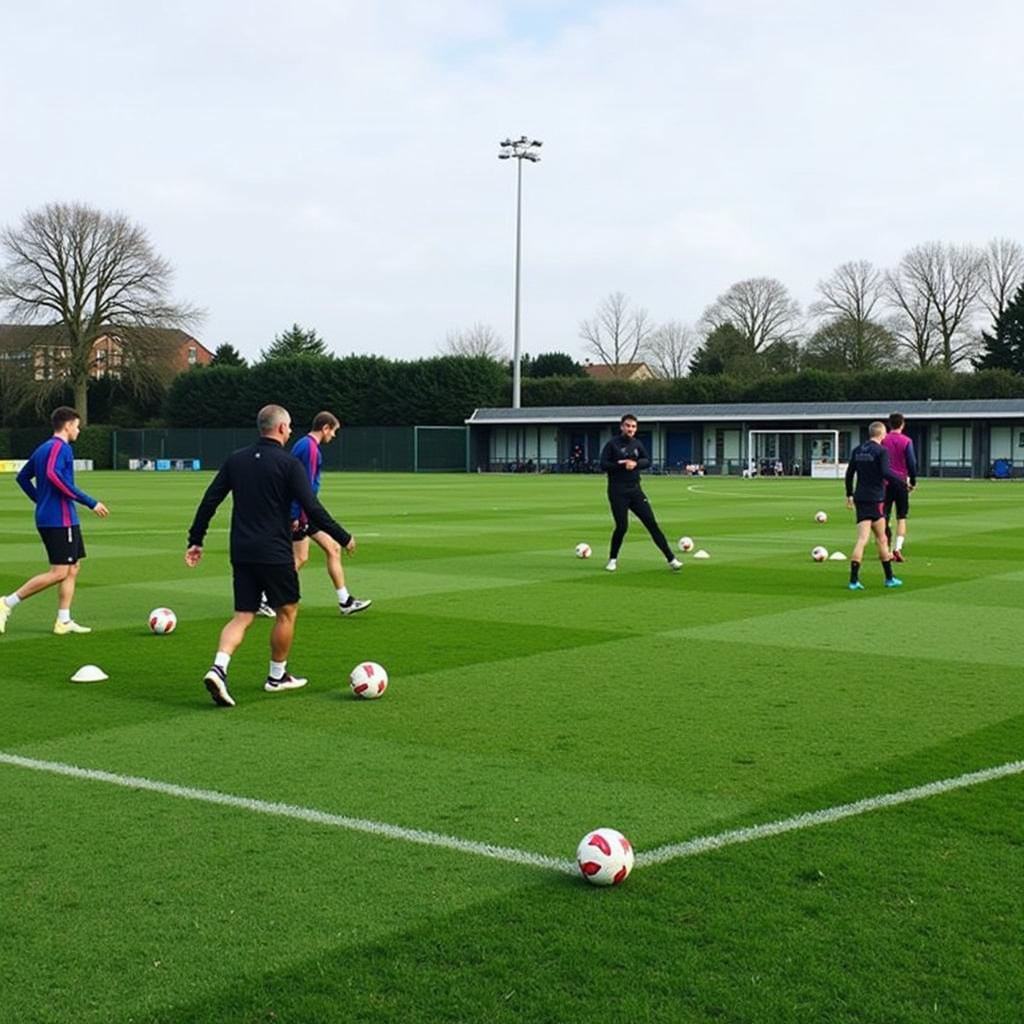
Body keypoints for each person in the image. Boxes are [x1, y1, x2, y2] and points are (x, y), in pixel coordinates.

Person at [185, 404, 357, 708]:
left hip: (241, 550)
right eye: (289, 426)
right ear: (279, 428)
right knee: (287, 612)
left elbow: (209, 500)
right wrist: (343, 536)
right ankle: (277, 676)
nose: (291, 431)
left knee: (243, 616)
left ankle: (218, 668)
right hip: (275, 551)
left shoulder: (236, 460)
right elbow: (312, 508)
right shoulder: (289, 464)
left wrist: (195, 540)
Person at [0, 407, 109, 636]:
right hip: (60, 519)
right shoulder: (61, 448)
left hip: (59, 517)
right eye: (77, 426)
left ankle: (64, 620)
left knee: (73, 567)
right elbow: (52, 474)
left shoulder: (43, 448)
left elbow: (22, 477)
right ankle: (6, 603)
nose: (78, 431)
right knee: (60, 572)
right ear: (68, 425)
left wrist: (40, 499)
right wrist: (91, 502)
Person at [286, 411, 370, 617]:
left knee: (332, 548)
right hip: (302, 512)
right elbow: (302, 487)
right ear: (325, 428)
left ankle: (345, 601)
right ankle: (265, 597)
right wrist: (296, 515)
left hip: (304, 510)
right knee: (300, 557)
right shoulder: (310, 449)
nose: (333, 436)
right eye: (334, 431)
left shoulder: (304, 445)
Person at [599, 413, 681, 573]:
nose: (631, 429)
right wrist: (620, 464)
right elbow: (603, 465)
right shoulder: (612, 444)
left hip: (635, 491)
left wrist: (635, 463)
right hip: (617, 492)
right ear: (621, 427)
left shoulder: (637, 444)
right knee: (622, 527)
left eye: (633, 426)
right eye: (628, 426)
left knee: (652, 524)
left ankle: (671, 559)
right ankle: (612, 559)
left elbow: (647, 461)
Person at [843, 420, 907, 591]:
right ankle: (889, 578)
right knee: (882, 539)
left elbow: (849, 474)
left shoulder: (857, 450)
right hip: (876, 499)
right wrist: (901, 481)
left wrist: (849, 494)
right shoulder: (881, 451)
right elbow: (886, 472)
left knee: (862, 539)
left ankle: (853, 580)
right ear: (881, 434)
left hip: (860, 498)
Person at [881, 411, 917, 562]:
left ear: (889, 424)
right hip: (901, 482)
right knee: (901, 517)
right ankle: (897, 548)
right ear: (902, 424)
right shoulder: (906, 441)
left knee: (884, 517)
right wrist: (913, 481)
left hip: (885, 483)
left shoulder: (883, 440)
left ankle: (886, 548)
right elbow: (911, 463)